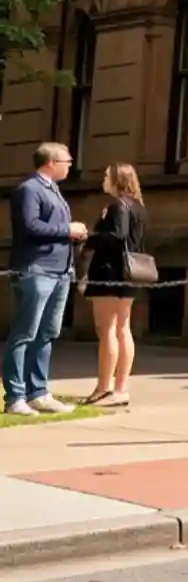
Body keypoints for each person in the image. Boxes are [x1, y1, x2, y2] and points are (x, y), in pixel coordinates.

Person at [5, 143, 87, 417]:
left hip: (61, 271)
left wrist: (74, 234)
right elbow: (31, 226)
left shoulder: (53, 189)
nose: (70, 164)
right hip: (36, 269)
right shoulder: (29, 189)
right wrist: (68, 230)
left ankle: (38, 392)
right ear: (51, 162)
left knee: (47, 333)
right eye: (67, 160)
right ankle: (15, 395)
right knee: (25, 333)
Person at [76, 163, 146, 406]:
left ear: (118, 180)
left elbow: (116, 237)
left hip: (110, 273)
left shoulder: (117, 206)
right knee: (122, 328)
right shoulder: (138, 206)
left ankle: (105, 387)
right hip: (129, 273)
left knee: (107, 328)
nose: (103, 179)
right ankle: (120, 388)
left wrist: (90, 237)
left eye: (107, 176)